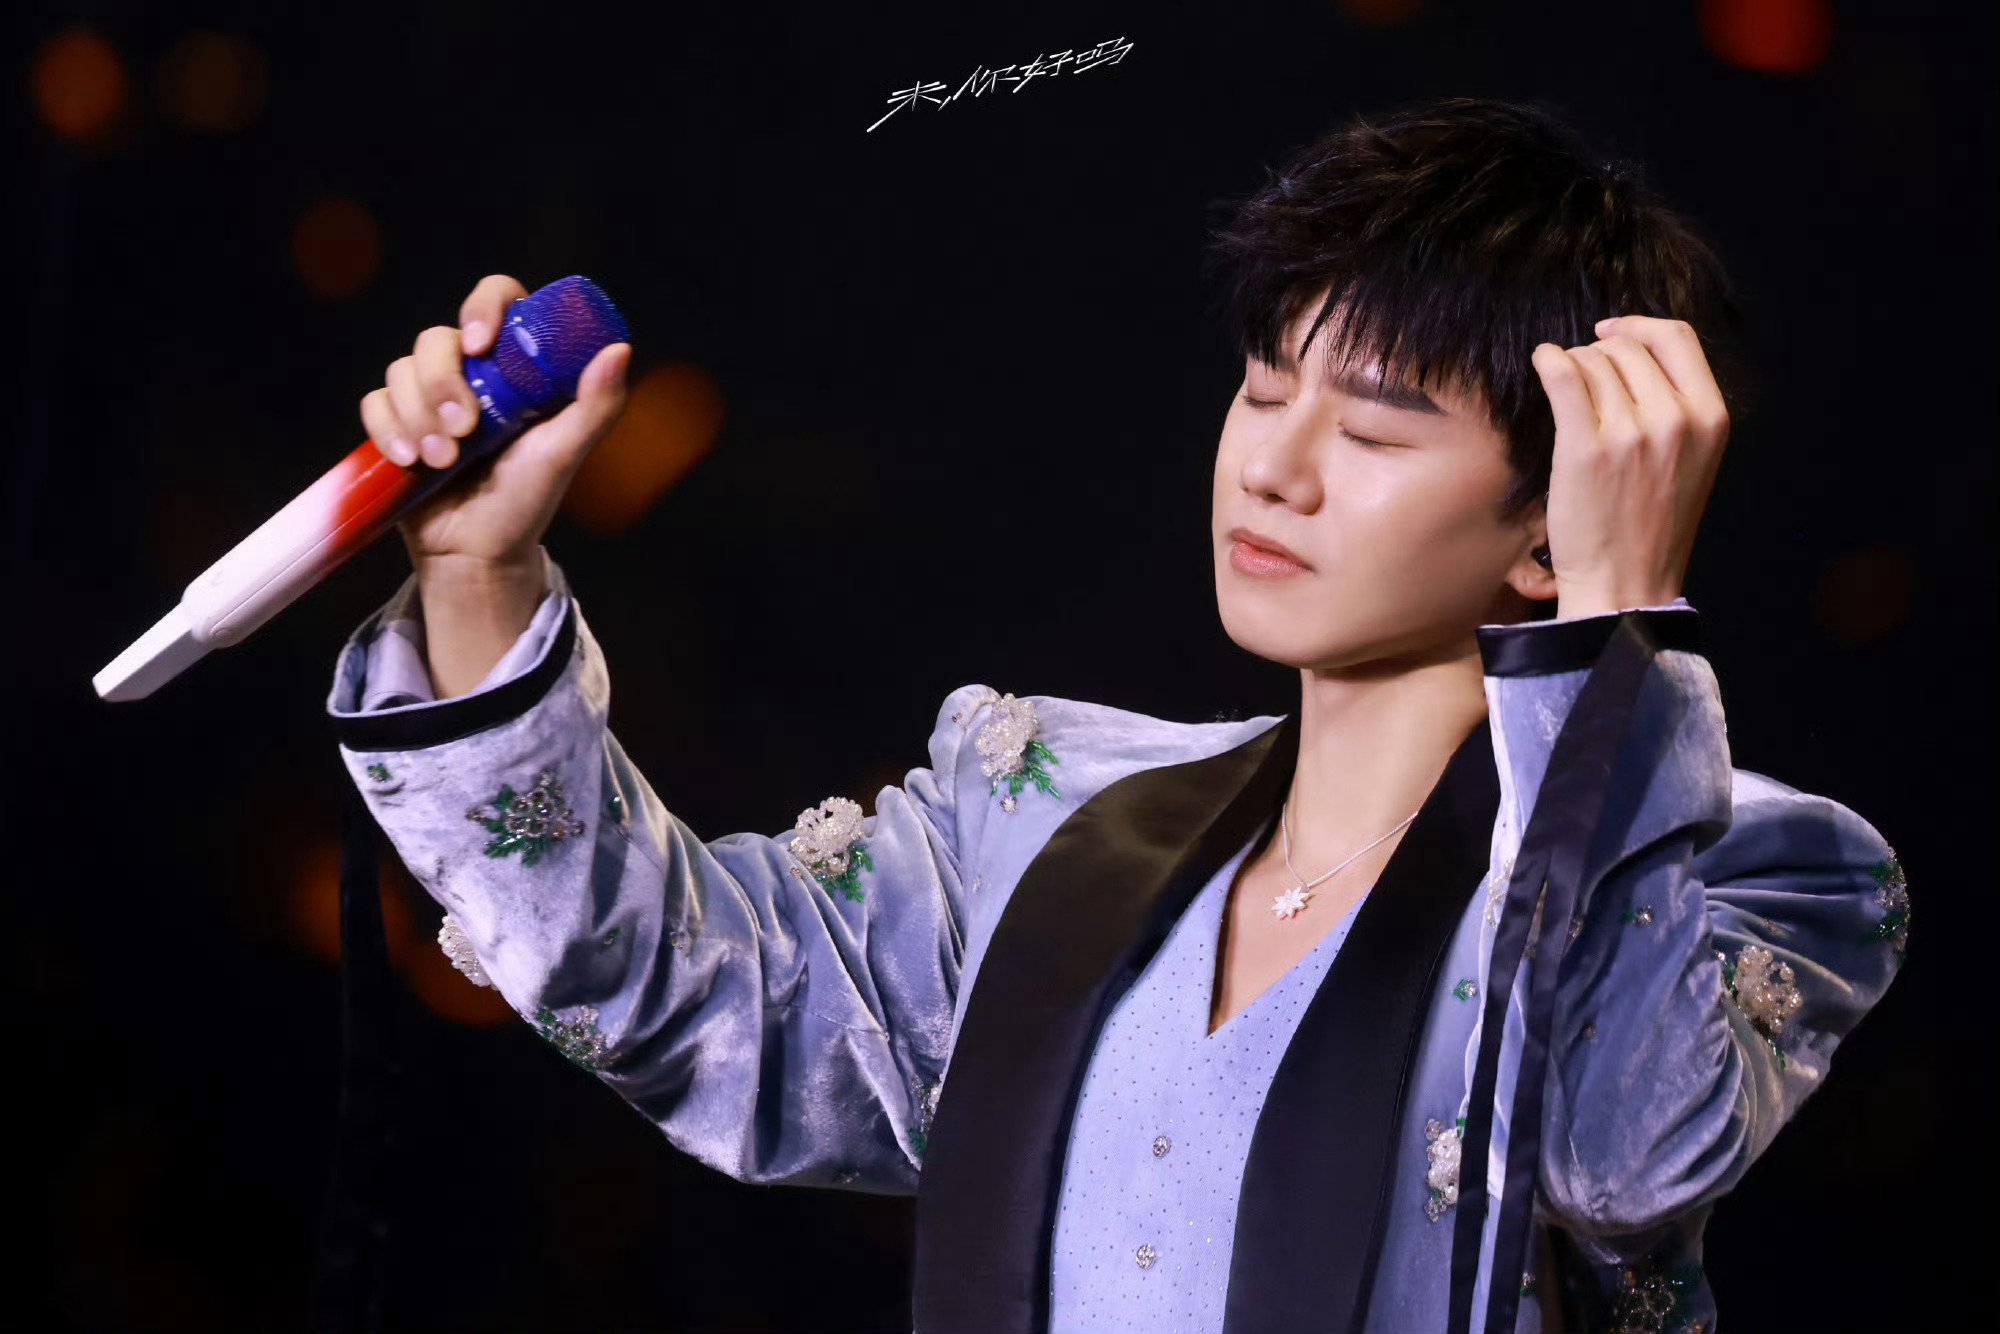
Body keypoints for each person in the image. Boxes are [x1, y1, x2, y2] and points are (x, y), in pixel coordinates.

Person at [327, 98, 1908, 1333]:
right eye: (1264, 386)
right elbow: (670, 981)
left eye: (1372, 430)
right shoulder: (1045, 812)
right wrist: (479, 571)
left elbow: (1621, 1159)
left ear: (1549, 520)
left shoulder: (1753, 873)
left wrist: (1614, 630)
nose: (1274, 466)